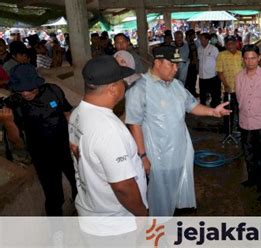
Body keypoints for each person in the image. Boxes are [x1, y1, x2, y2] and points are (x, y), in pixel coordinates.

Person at [125, 46, 230, 216]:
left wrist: (213, 111)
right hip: (157, 157)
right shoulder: (140, 89)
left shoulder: (177, 85)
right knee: (159, 198)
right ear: (157, 63)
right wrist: (143, 156)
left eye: (178, 65)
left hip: (181, 152)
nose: (176, 69)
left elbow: (192, 105)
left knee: (177, 194)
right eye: (172, 65)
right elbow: (134, 124)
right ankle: (157, 235)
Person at [69, 56, 148, 241]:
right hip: (115, 225)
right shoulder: (108, 129)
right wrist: (142, 214)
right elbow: (122, 186)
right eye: (122, 81)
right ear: (113, 88)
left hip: (92, 214)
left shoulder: (77, 113)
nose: (124, 86)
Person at [2, 64, 77, 215]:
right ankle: (57, 233)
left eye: (29, 88)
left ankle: (79, 210)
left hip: (65, 147)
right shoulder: (13, 104)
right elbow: (17, 142)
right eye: (20, 89)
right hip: (42, 156)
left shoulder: (53, 91)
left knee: (78, 183)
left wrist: (73, 130)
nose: (25, 93)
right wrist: (8, 122)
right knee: (53, 196)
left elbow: (67, 111)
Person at [236, 45, 261, 199]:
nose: (250, 61)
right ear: (243, 59)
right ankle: (251, 179)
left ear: (259, 58)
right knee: (248, 153)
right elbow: (239, 97)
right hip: (245, 122)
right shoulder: (239, 76)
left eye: (253, 58)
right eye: (246, 58)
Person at [216, 36, 243, 134]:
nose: (230, 45)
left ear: (236, 44)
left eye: (232, 43)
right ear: (225, 45)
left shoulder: (241, 55)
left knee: (242, 111)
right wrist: (226, 85)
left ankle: (241, 129)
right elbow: (220, 72)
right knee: (228, 111)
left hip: (241, 89)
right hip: (229, 89)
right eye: (228, 44)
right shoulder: (221, 55)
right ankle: (228, 131)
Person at [197, 33, 221, 107]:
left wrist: (218, 72)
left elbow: (218, 61)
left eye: (203, 39)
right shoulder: (199, 48)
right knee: (202, 93)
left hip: (212, 75)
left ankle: (215, 106)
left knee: (214, 93)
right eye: (200, 39)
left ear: (207, 40)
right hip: (202, 75)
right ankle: (203, 106)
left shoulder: (214, 49)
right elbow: (199, 60)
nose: (201, 41)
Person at [185, 29, 198, 97]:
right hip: (190, 65)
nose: (194, 35)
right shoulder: (188, 43)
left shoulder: (191, 42)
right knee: (190, 80)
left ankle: (192, 92)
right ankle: (191, 93)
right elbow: (193, 54)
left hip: (191, 64)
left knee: (192, 80)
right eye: (193, 34)